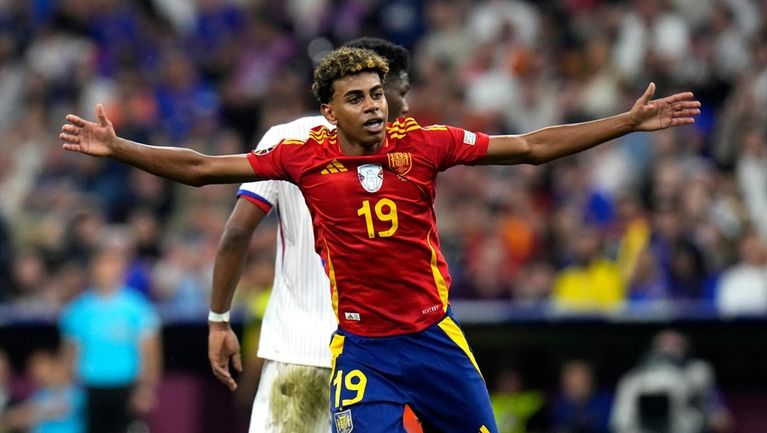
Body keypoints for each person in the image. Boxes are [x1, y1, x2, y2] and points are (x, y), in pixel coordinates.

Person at [59, 47, 700, 433]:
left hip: (435, 338)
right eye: (356, 97)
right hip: (364, 353)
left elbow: (531, 148)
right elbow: (200, 167)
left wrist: (626, 122)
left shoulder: (424, 142)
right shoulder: (299, 156)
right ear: (329, 111)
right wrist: (118, 149)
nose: (374, 106)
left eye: (377, 94)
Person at [209, 37, 412, 433]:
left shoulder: (288, 139)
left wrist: (219, 319)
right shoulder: (408, 152)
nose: (404, 104)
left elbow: (236, 233)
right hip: (375, 360)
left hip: (299, 354)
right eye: (400, 92)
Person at [59, 232, 162, 433]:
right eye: (102, 264)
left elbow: (150, 353)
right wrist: (66, 392)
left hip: (126, 388)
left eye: (112, 263)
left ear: (122, 269)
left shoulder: (137, 308)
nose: (106, 270)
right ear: (92, 269)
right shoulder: (78, 310)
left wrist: (145, 390)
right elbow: (69, 355)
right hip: (91, 389)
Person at [0, 348, 85, 433]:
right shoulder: (41, 393)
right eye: (33, 371)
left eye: (40, 368)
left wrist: (30, 414)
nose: (36, 375)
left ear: (55, 365)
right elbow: (20, 415)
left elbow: (61, 409)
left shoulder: (76, 389)